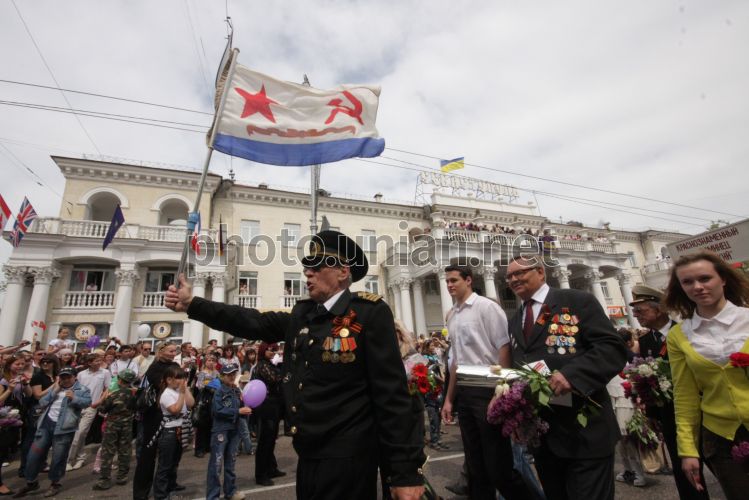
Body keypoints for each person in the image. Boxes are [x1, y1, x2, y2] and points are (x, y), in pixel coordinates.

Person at [166, 230, 425, 500]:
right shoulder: (303, 314)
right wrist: (192, 304)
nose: (307, 272)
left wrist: (405, 472)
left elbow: (392, 396)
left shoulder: (369, 313)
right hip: (308, 453)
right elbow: (251, 321)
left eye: (317, 266)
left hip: (349, 458)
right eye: (306, 266)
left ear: (343, 271)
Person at [505, 257, 627, 500]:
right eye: (509, 276)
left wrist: (572, 375)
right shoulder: (516, 318)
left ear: (541, 272)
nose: (513, 279)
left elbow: (611, 348)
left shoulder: (576, 301)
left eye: (520, 273)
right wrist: (518, 417)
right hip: (544, 438)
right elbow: (521, 369)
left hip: (584, 433)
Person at [438, 265, 533, 500]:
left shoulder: (487, 307)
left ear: (468, 280)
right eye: (447, 281)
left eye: (454, 280)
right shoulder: (452, 315)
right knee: (475, 466)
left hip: (489, 388)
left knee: (498, 467)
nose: (449, 285)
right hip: (465, 391)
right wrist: (449, 399)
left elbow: (504, 348)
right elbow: (455, 361)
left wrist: (500, 392)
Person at [663, 251, 749, 500]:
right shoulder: (679, 335)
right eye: (687, 282)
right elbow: (685, 395)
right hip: (721, 437)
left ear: (723, 278)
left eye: (704, 278)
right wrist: (688, 450)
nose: (697, 287)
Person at [630, 285, 710, 498]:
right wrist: (652, 414)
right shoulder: (645, 341)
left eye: (641, 310)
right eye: (635, 311)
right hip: (669, 416)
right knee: (684, 470)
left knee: (718, 464)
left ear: (659, 310)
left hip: (702, 411)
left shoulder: (686, 332)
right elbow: (647, 382)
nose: (636, 315)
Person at [14, 367, 92, 498]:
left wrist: (74, 398)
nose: (65, 380)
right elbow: (42, 402)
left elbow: (87, 403)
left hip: (64, 428)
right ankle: (31, 482)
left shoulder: (82, 389)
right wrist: (54, 391)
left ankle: (55, 483)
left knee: (58, 458)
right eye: (63, 377)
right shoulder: (56, 387)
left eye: (68, 377)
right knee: (33, 455)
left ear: (75, 377)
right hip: (46, 425)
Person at [132, 341, 180, 500]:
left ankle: (169, 485)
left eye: (175, 351)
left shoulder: (174, 365)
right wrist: (178, 381)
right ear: (161, 351)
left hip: (172, 412)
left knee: (172, 453)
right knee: (148, 453)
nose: (173, 354)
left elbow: (180, 384)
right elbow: (166, 386)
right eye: (170, 351)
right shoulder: (154, 367)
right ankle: (141, 492)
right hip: (154, 414)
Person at [206, 364, 251, 500]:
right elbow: (217, 411)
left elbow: (241, 408)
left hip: (234, 430)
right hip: (221, 430)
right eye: (228, 374)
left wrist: (246, 409)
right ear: (222, 376)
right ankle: (213, 496)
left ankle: (230, 491)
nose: (231, 377)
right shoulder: (219, 391)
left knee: (231, 462)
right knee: (216, 464)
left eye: (233, 374)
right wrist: (238, 411)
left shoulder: (236, 390)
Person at [151, 365, 193, 500]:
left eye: (183, 378)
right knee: (165, 465)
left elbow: (191, 403)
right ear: (169, 380)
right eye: (179, 378)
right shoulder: (166, 394)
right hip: (169, 431)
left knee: (175, 462)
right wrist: (182, 393)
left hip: (181, 429)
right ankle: (161, 495)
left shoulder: (179, 391)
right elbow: (175, 410)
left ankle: (171, 486)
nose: (182, 380)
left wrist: (185, 389)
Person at [92, 369, 137, 490]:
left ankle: (104, 480)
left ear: (120, 380)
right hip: (127, 424)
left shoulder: (114, 394)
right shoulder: (134, 394)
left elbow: (102, 409)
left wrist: (104, 398)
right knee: (125, 450)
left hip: (112, 425)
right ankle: (122, 476)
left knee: (108, 451)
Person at [66, 353, 111, 471]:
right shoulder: (81, 374)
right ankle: (80, 457)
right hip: (78, 405)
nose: (99, 362)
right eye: (96, 360)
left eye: (100, 360)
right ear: (89, 363)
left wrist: (99, 401)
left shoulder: (105, 373)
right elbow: (76, 388)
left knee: (80, 433)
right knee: (78, 434)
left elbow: (108, 389)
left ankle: (69, 460)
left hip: (92, 407)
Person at [252, 342, 286, 486]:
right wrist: (284, 371)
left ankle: (271, 468)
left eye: (274, 349)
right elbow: (275, 379)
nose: (272, 352)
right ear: (263, 351)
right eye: (269, 349)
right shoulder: (262, 365)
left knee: (271, 439)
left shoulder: (270, 364)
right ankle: (261, 474)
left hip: (274, 404)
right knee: (265, 440)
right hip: (266, 405)